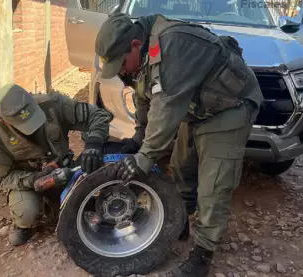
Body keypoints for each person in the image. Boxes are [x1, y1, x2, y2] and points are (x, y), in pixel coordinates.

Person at [95, 13, 263, 276]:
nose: (122, 71)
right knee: (182, 169)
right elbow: (144, 97)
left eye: (121, 63)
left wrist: (144, 157)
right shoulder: (140, 57)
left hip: (230, 107)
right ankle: (180, 222)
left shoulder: (172, 43)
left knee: (213, 184)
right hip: (196, 108)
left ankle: (202, 255)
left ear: (135, 46)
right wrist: (139, 138)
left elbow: (166, 108)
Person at [0, 83, 112, 246]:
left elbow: (99, 116)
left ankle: (55, 205)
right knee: (26, 213)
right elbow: (3, 177)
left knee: (79, 209)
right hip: (31, 182)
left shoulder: (53, 104)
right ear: (5, 120)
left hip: (64, 171)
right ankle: (25, 225)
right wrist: (33, 179)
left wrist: (94, 144)